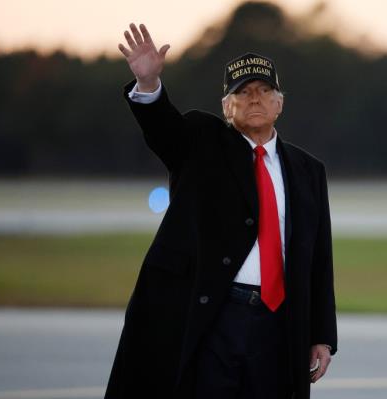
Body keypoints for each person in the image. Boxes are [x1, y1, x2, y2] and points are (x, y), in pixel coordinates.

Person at [105, 23, 337, 399]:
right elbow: (163, 130)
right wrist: (148, 84)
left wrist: (322, 336)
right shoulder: (201, 141)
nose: (255, 99)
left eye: (264, 91)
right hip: (215, 318)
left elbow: (318, 260)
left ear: (280, 103)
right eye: (242, 93)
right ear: (227, 107)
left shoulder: (309, 170)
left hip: (278, 326)